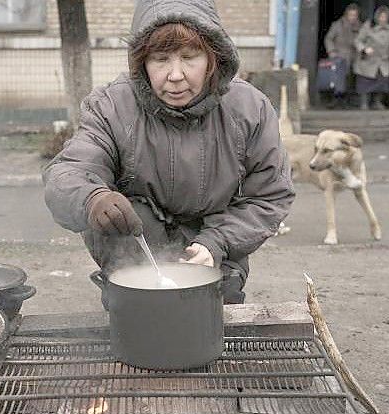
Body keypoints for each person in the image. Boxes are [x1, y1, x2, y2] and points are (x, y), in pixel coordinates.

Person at [42, 0, 295, 305]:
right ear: (142, 63)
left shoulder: (249, 109)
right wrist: (91, 199)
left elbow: (269, 195)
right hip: (135, 251)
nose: (175, 75)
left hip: (216, 253)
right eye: (160, 59)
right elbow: (68, 173)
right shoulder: (112, 106)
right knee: (142, 320)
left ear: (213, 58)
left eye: (190, 57)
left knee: (208, 322)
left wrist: (217, 243)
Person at [353, 5, 389, 110]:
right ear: (377, 17)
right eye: (381, 17)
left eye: (385, 17)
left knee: (382, 81)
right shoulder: (368, 26)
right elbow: (358, 40)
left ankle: (377, 102)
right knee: (365, 81)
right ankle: (364, 102)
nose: (382, 19)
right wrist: (364, 49)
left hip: (383, 60)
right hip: (368, 60)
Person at [323, 3, 362, 108]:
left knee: (351, 80)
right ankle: (335, 100)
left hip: (354, 57)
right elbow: (329, 38)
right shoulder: (337, 25)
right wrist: (331, 51)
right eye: (351, 15)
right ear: (346, 15)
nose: (352, 18)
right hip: (339, 55)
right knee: (337, 79)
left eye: (355, 15)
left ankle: (348, 101)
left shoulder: (360, 26)